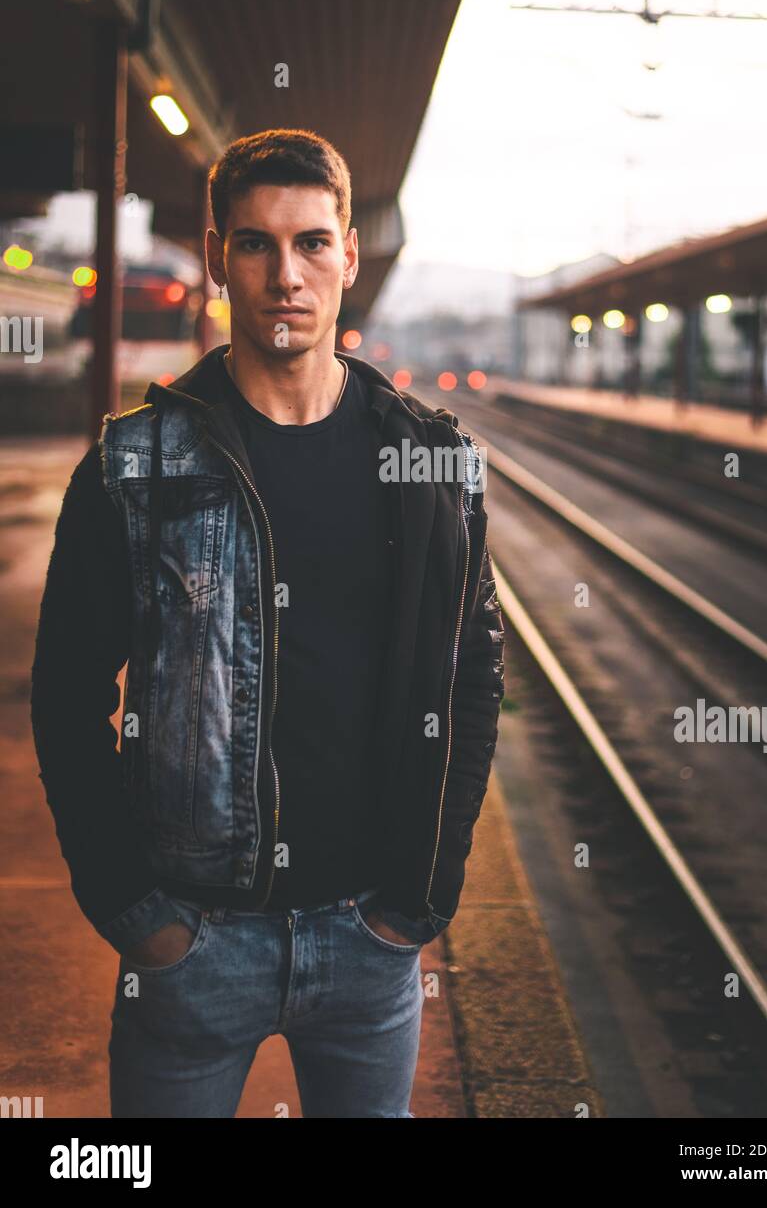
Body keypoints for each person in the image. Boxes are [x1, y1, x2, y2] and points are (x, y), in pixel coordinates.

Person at [30, 127, 506, 1118]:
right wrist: (133, 911)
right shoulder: (134, 467)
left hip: (369, 941)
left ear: (347, 256)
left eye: (310, 243)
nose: (284, 274)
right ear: (216, 258)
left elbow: (472, 677)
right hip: (193, 943)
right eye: (254, 243)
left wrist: (421, 895)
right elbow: (66, 695)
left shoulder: (428, 466)